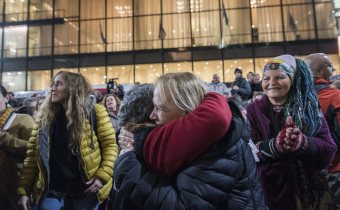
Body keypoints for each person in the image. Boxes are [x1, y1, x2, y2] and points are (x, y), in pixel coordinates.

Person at [114, 72, 265, 209]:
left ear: (185, 109)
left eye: (160, 108)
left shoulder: (215, 145)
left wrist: (128, 165)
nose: (153, 116)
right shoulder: (192, 139)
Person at [17, 71, 118, 210]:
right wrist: (24, 191)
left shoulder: (95, 112)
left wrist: (102, 176)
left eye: (59, 84)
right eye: (53, 84)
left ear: (73, 87)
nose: (53, 88)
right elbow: (32, 156)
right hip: (52, 191)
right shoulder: (44, 118)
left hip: (85, 189)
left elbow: (111, 146)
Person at [247, 55, 336, 210]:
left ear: (293, 80)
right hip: (269, 195)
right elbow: (245, 153)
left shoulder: (309, 109)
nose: (272, 83)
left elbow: (329, 149)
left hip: (310, 195)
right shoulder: (253, 111)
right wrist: (275, 146)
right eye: (266, 78)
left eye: (280, 77)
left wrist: (302, 143)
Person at [304, 53, 340, 209]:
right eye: (329, 66)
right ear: (317, 71)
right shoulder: (334, 96)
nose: (332, 69)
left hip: (306, 172)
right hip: (335, 169)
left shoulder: (292, 99)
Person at [0, 82, 34, 210]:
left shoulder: (23, 119)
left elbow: (34, 149)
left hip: (16, 185)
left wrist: (5, 139)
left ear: (6, 98)